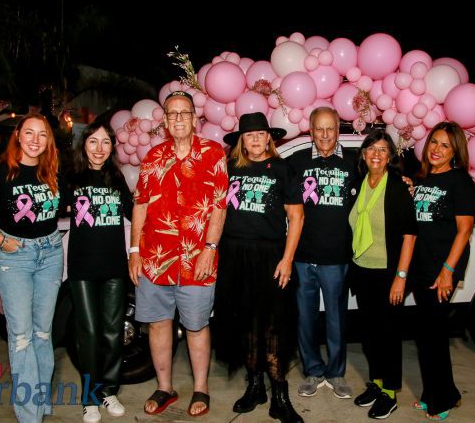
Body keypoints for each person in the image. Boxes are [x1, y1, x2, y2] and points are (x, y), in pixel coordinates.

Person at [128, 91, 228, 418]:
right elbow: (140, 204)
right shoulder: (153, 157)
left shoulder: (213, 154)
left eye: (185, 112)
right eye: (173, 113)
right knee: (159, 324)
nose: (179, 118)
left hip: (198, 259)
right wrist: (134, 251)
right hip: (155, 259)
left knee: (197, 325)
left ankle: (201, 388)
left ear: (195, 119)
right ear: (166, 122)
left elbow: (219, 206)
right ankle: (165, 387)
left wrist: (209, 249)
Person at [0, 113, 62, 423]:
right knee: (21, 337)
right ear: (18, 135)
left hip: (50, 253)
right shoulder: (1, 172)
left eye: (42, 134)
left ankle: (40, 403)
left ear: (48, 141)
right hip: (15, 258)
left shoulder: (51, 171)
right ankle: (28, 415)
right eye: (29, 133)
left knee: (43, 333)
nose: (35, 140)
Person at [214, 112, 305, 423]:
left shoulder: (282, 169)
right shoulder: (230, 168)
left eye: (260, 134)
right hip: (234, 255)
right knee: (246, 325)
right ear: (242, 140)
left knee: (274, 326)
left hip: (270, 256)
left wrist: (287, 259)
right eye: (249, 135)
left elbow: (296, 217)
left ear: (269, 138)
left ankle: (279, 395)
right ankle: (255, 387)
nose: (254, 139)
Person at [286, 106, 358, 399]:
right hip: (303, 257)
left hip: (337, 257)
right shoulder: (296, 161)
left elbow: (381, 180)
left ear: (338, 130)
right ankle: (313, 371)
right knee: (305, 319)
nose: (325, 135)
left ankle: (336, 373)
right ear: (311, 131)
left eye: (331, 128)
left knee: (336, 319)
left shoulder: (354, 162)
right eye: (320, 128)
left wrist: (406, 181)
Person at [65, 116, 131, 422]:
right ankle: (89, 397)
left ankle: (108, 391)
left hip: (114, 267)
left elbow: (136, 212)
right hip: (82, 268)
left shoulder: (117, 179)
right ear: (84, 145)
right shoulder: (72, 178)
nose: (99, 148)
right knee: (89, 333)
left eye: (105, 142)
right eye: (93, 141)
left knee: (113, 332)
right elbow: (50, 209)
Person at [348, 130, 417, 419]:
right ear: (363, 154)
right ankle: (376, 384)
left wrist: (401, 277)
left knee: (388, 335)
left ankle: (389, 393)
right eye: (371, 149)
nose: (376, 154)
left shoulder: (398, 187)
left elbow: (410, 235)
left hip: (388, 273)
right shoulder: (358, 184)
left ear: (389, 156)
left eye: (382, 149)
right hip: (362, 270)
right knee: (369, 334)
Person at [411, 121, 475, 421]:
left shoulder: (460, 181)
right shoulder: (423, 178)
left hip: (441, 269)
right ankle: (432, 393)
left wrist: (448, 270)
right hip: (421, 267)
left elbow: (464, 230)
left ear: (455, 152)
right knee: (426, 334)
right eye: (434, 142)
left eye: (445, 145)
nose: (437, 149)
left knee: (435, 335)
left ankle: (445, 398)